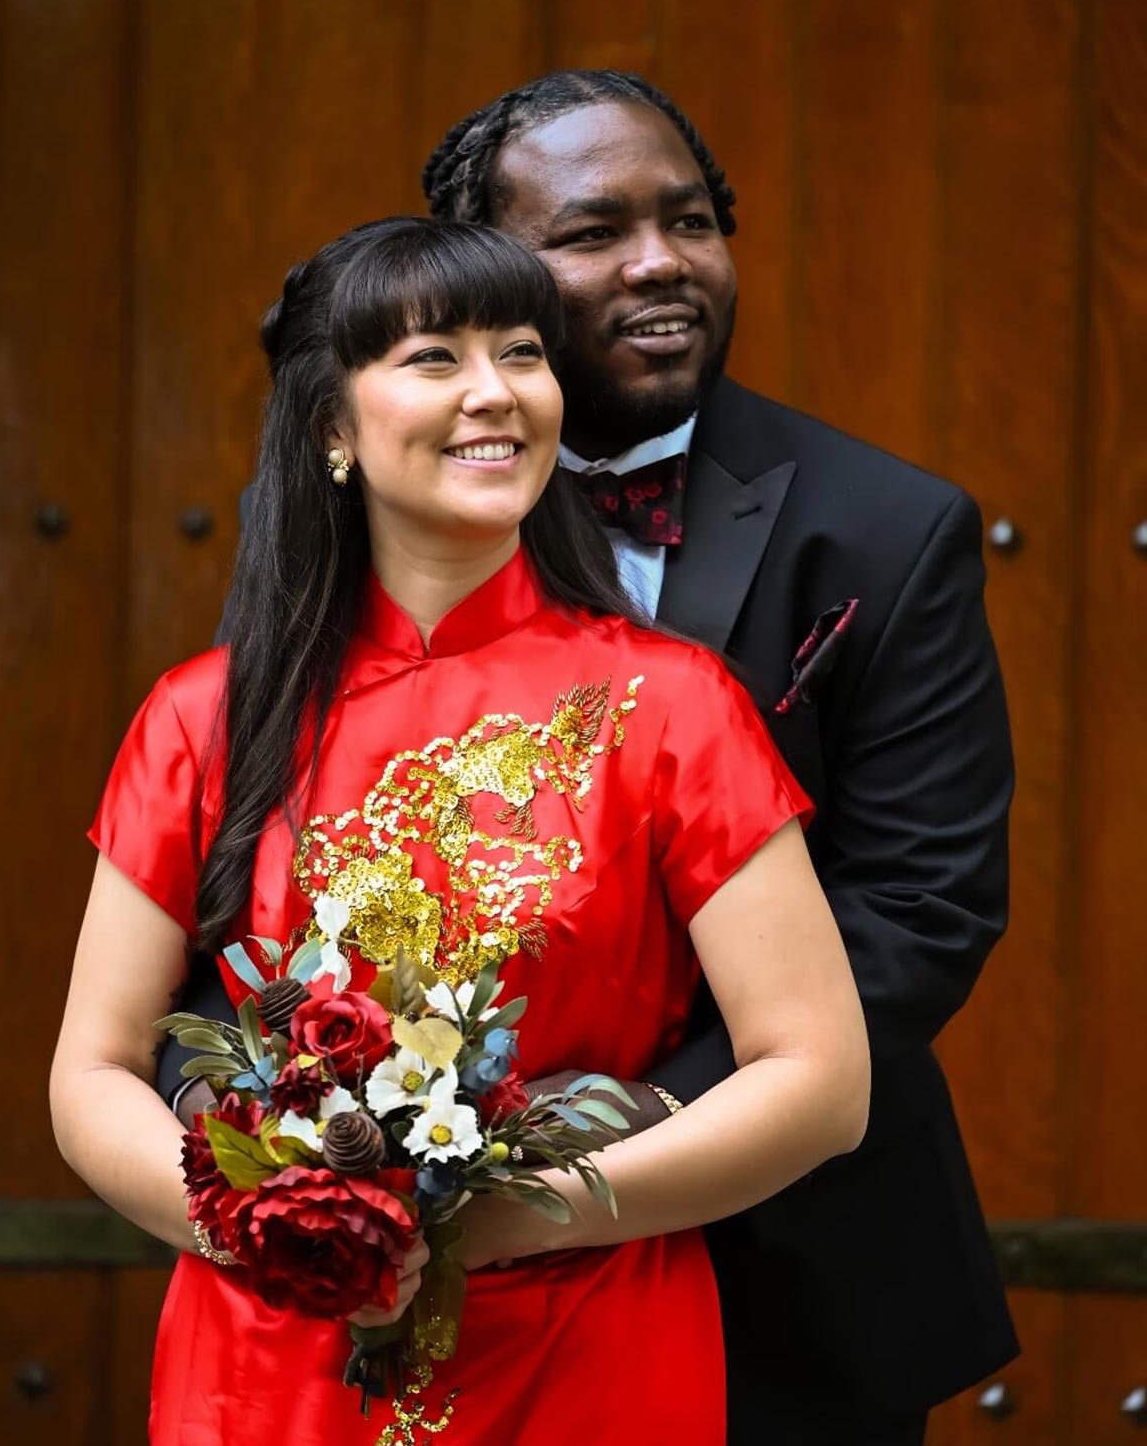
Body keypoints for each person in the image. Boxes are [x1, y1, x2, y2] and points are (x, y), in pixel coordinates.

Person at [161, 72, 1019, 1444]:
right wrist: (288, 1152)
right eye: (593, 231)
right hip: (394, 1293)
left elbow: (922, 908)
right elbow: (250, 874)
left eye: (691, 221)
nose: (658, 261)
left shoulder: (889, 528)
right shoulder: (354, 523)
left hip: (801, 1264)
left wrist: (561, 1145)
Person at [50, 216, 870, 1446]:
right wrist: (275, 1227)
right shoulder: (205, 715)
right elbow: (92, 1072)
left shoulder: (675, 707)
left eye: (524, 353)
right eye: (434, 358)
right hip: (272, 1359)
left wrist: (511, 1214)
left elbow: (820, 1081)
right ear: (332, 424)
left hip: (586, 1349)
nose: (495, 394)